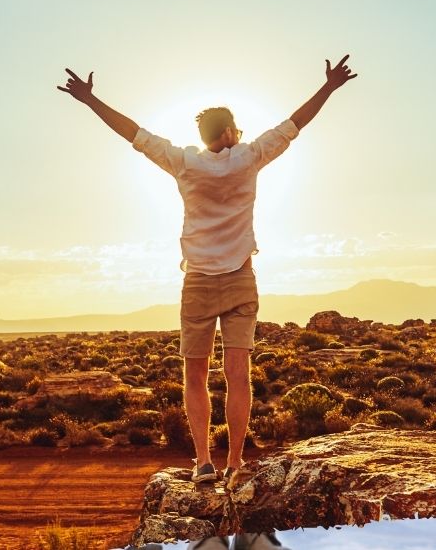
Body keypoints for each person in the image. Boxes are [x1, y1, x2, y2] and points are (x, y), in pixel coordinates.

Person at [56, 57, 357, 491]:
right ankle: (235, 462)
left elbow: (133, 133)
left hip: (197, 282)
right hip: (241, 279)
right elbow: (295, 123)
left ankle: (202, 460)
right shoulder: (250, 157)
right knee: (239, 373)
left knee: (194, 376)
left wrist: (89, 100)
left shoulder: (183, 162)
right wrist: (328, 87)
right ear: (231, 132)